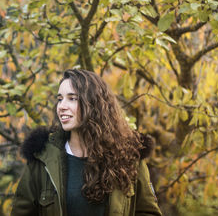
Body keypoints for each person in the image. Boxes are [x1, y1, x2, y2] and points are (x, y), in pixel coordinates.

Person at [12, 69, 162, 216]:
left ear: (94, 105)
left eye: (72, 98)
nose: (62, 106)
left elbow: (148, 212)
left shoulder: (129, 157)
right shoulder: (42, 159)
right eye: (59, 99)